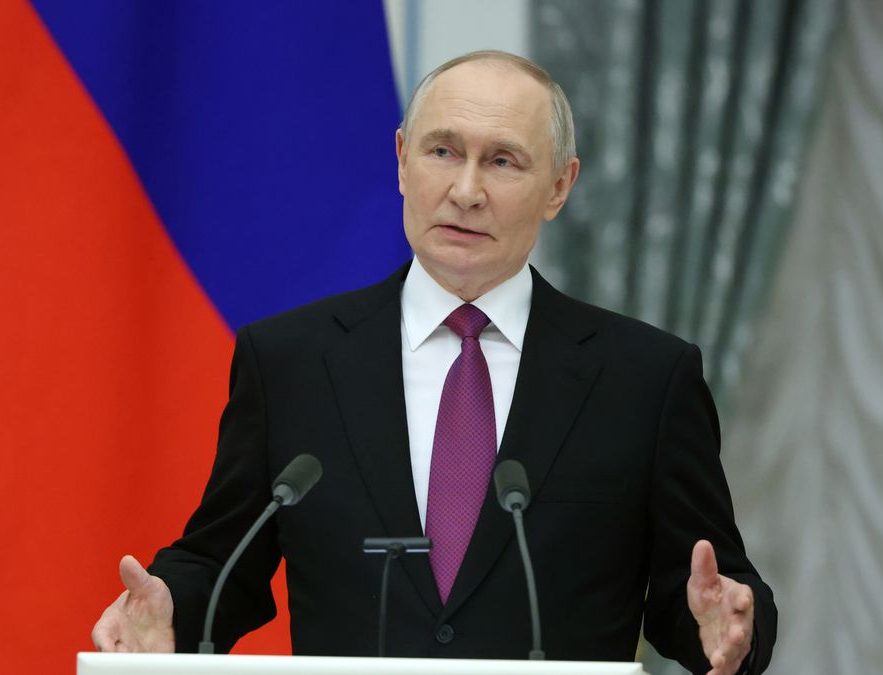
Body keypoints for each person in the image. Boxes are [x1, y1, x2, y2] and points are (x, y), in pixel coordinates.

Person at [92, 50, 776, 675]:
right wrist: (170, 608)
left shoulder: (645, 379)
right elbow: (223, 562)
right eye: (443, 151)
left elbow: (706, 590)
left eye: (504, 161)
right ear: (400, 159)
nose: (467, 190)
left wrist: (726, 627)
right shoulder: (291, 361)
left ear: (560, 186)